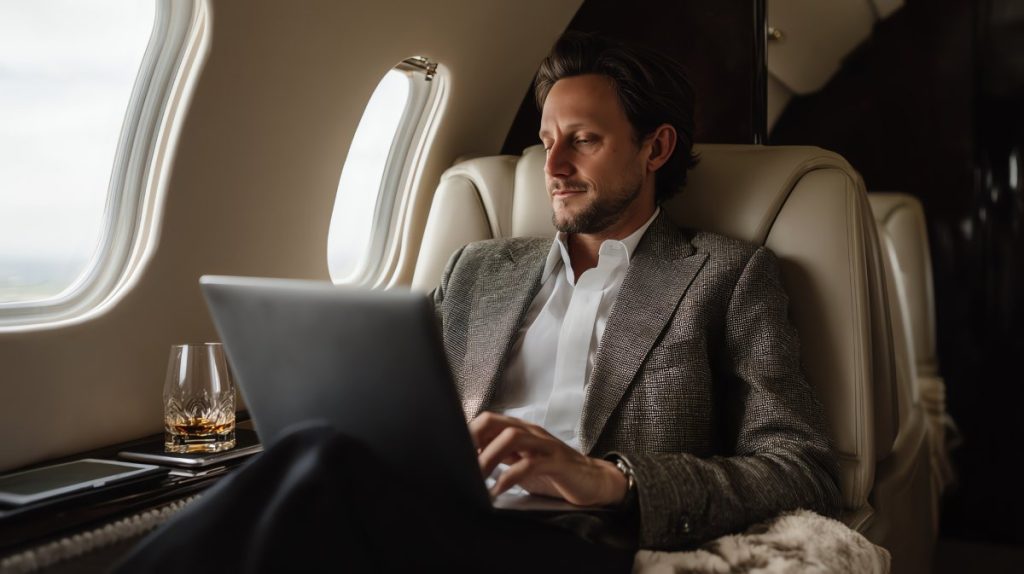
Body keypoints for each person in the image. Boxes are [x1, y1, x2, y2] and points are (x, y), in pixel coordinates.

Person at [114, 31, 839, 573]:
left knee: (315, 471)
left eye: (582, 141)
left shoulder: (726, 275)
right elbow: (400, 402)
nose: (551, 166)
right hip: (444, 513)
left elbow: (801, 464)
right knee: (313, 458)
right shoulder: (477, 269)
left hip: (578, 541)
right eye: (547, 140)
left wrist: (612, 480)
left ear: (655, 149)